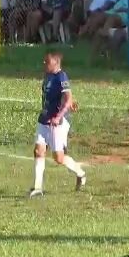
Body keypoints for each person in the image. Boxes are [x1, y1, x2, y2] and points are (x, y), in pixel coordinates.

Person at [29, 51, 86, 197]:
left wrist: (59, 115)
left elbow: (68, 98)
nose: (44, 64)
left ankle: (80, 173)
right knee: (38, 151)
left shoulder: (62, 77)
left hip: (57, 122)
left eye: (47, 62)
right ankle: (37, 187)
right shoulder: (47, 76)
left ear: (55, 63)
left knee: (58, 158)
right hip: (44, 119)